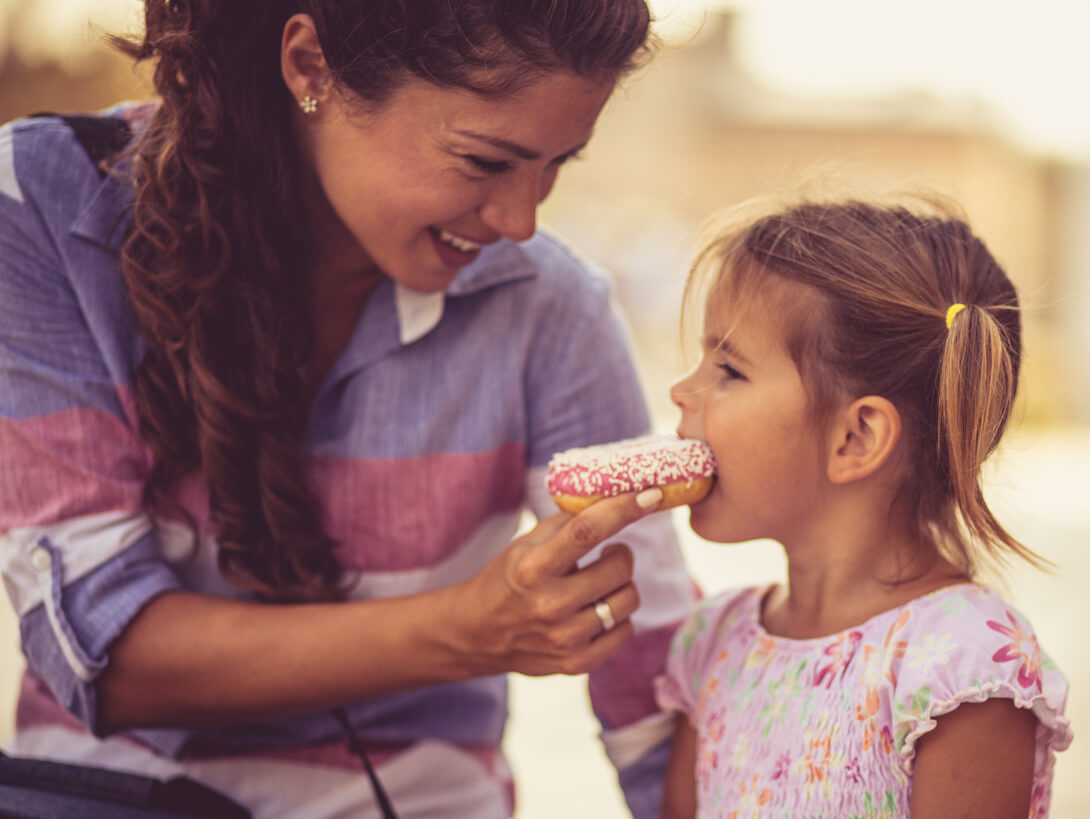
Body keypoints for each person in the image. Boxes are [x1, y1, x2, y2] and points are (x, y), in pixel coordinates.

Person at [0, 1, 698, 816]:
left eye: (557, 166)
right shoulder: (42, 209)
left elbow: (651, 690)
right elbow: (102, 657)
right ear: (311, 69)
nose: (521, 221)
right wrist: (467, 629)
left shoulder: (553, 306)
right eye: (483, 161)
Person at [656, 196, 1073, 817]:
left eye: (729, 370)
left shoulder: (962, 668)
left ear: (856, 438)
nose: (681, 391)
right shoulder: (714, 642)